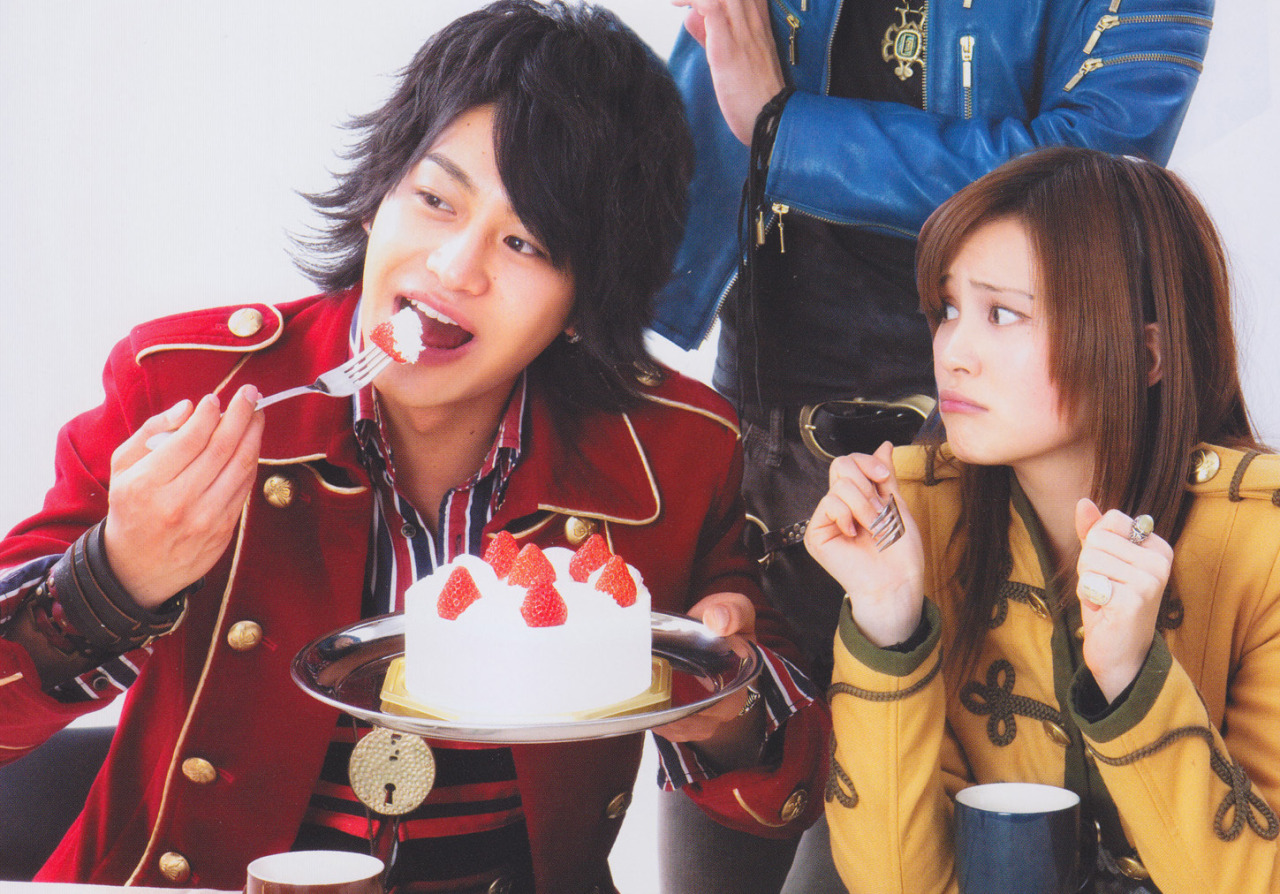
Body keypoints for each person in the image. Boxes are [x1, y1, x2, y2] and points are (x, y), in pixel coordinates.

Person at [0, 3, 830, 891]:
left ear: (585, 304)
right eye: (435, 200)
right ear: (375, 199)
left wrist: (725, 708)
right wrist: (116, 577)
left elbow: (789, 778)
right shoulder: (181, 385)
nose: (455, 267)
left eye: (525, 243)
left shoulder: (675, 450)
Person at [652, 2, 1214, 888]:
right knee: (717, 831)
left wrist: (786, 127)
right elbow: (671, 153)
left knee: (896, 850)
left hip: (991, 479)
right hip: (764, 447)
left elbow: (1093, 182)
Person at [808, 146, 1280, 893]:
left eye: (1003, 314)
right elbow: (895, 883)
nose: (953, 353)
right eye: (948, 309)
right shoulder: (916, 521)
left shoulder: (1262, 542)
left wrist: (1130, 680)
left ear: (1145, 354)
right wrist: (889, 624)